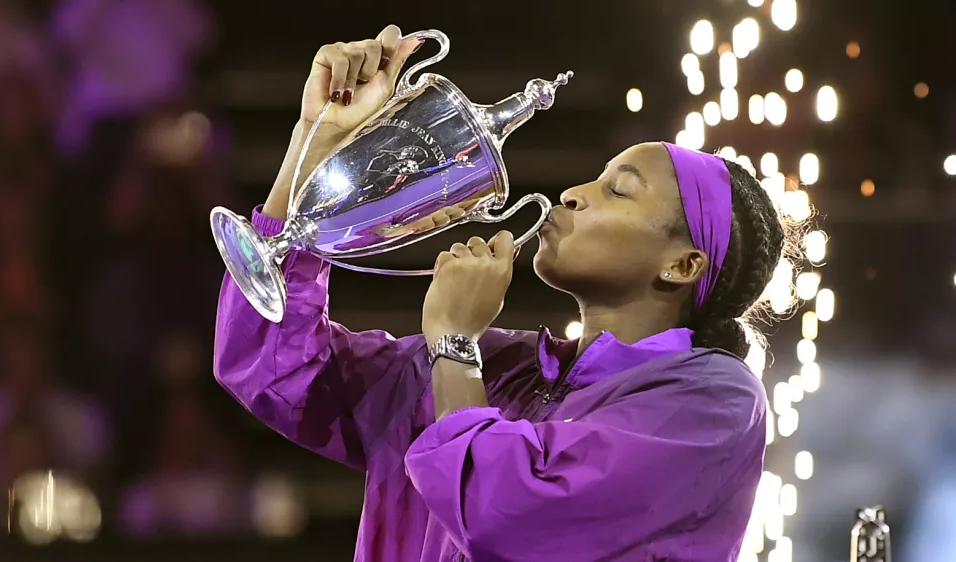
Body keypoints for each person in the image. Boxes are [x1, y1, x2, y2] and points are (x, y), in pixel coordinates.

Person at [214, 25, 790, 562]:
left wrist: (455, 345)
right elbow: (272, 367)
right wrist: (318, 146)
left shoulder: (713, 401)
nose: (572, 193)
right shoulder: (503, 364)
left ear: (683, 265)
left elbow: (506, 517)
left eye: (618, 191)